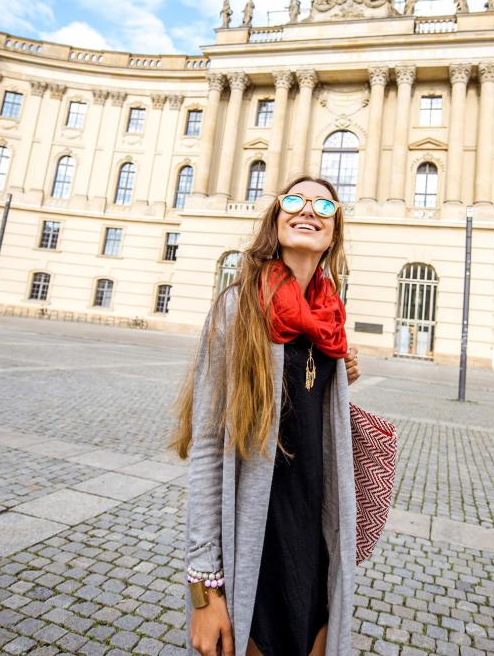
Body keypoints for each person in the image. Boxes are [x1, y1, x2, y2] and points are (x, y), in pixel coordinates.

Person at [172, 175, 362, 656]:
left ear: (334, 230)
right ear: (275, 220)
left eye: (324, 204)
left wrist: (338, 385)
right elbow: (210, 448)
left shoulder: (331, 322)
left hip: (315, 544)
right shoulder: (237, 308)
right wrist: (204, 593)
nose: (308, 210)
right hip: (258, 545)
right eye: (294, 200)